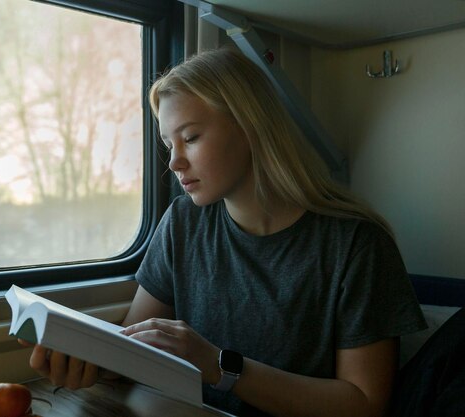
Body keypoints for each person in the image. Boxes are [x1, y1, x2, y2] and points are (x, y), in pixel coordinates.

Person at [25, 47, 427, 417]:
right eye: (169, 144)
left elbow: (364, 404)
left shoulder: (357, 245)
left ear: (251, 127)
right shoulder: (183, 223)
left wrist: (219, 366)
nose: (175, 163)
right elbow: (139, 354)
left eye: (191, 137)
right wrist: (87, 359)